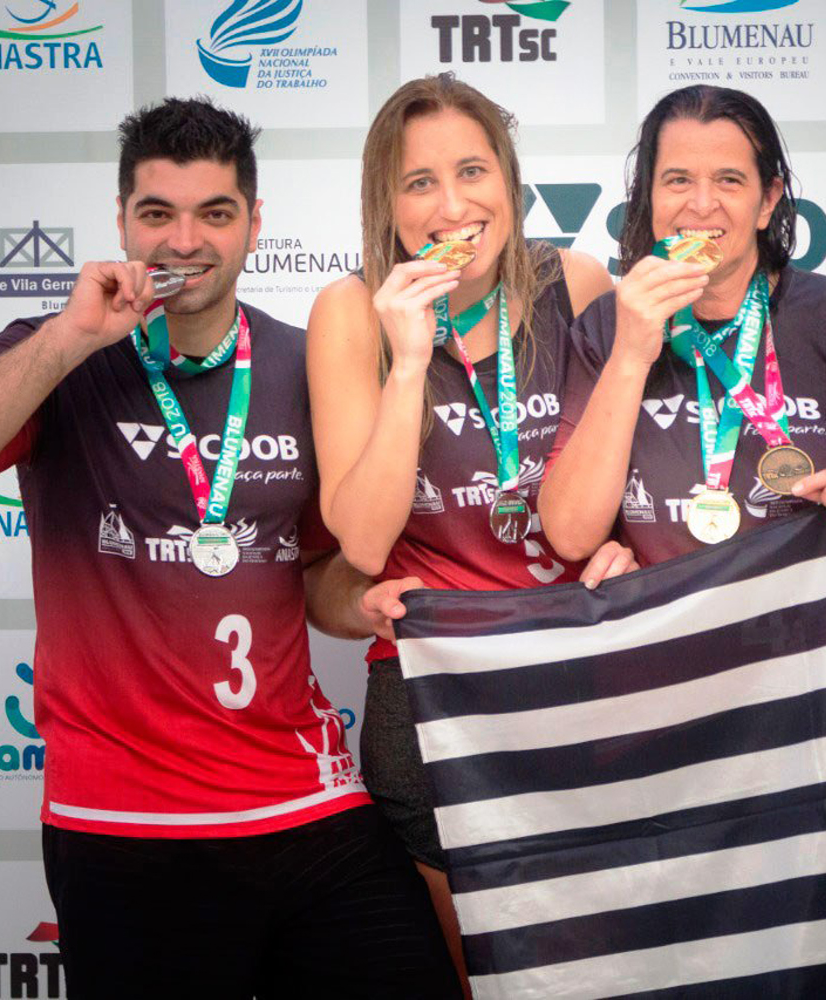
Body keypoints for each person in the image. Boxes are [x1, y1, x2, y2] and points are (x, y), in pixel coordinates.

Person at [0, 98, 458, 998]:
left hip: (305, 799)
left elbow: (311, 579)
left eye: (215, 213)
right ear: (121, 221)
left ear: (254, 223)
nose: (185, 241)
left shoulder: (304, 361)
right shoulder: (59, 353)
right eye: (158, 213)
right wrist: (71, 338)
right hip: (126, 821)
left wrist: (361, 600)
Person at [306, 73, 621, 990]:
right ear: (386, 202)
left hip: (578, 672)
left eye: (473, 171)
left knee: (595, 967)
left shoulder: (580, 284)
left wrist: (629, 545)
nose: (452, 206)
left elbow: (622, 476)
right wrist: (409, 361)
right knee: (482, 978)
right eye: (420, 182)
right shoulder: (350, 311)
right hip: (432, 695)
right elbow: (362, 544)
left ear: (509, 180)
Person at [539, 84, 826, 567]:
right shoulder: (609, 324)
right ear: (648, 196)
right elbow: (571, 536)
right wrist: (630, 356)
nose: (701, 204)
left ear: (767, 200)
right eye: (677, 180)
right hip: (665, 612)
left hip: (815, 613)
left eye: (729, 180)